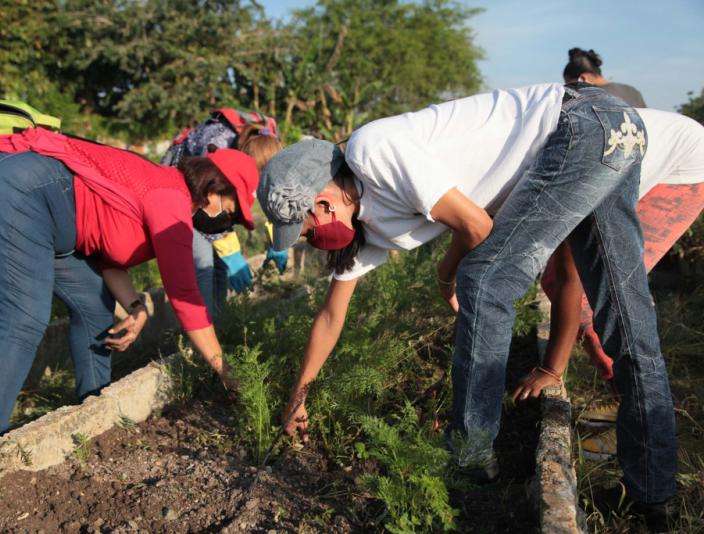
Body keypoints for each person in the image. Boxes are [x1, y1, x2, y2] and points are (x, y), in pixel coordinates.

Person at [258, 83, 704, 528]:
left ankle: (470, 457)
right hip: (614, 126)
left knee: (486, 278)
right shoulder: (370, 227)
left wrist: (445, 275)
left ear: (320, 201)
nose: (314, 240)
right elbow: (331, 316)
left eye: (307, 229)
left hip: (582, 124)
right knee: (626, 321)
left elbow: (476, 225)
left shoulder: (372, 149)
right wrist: (299, 397)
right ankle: (655, 499)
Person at [0, 126, 259, 453]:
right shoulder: (171, 199)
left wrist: (136, 306)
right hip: (18, 183)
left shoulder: (169, 195)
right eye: (228, 212)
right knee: (23, 319)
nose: (225, 224)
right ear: (213, 191)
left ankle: (93, 413)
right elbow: (185, 298)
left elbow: (110, 259)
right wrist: (226, 371)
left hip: (52, 220)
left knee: (93, 306)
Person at [512, 49, 704, 462]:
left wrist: (550, 370)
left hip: (686, 168)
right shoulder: (548, 139)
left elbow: (569, 276)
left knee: (602, 292)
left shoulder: (575, 149)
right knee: (568, 284)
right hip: (638, 159)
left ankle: (638, 420)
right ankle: (628, 404)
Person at [161, 110, 286, 320]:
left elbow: (272, 192)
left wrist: (279, 238)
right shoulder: (216, 143)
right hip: (182, 191)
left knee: (219, 267)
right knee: (203, 263)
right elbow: (207, 204)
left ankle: (217, 325)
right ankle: (202, 337)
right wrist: (230, 251)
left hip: (207, 197)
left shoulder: (269, 144)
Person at [563, 48, 646, 107]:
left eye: (571, 86)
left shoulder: (589, 97)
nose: (572, 91)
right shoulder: (632, 92)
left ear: (583, 79)